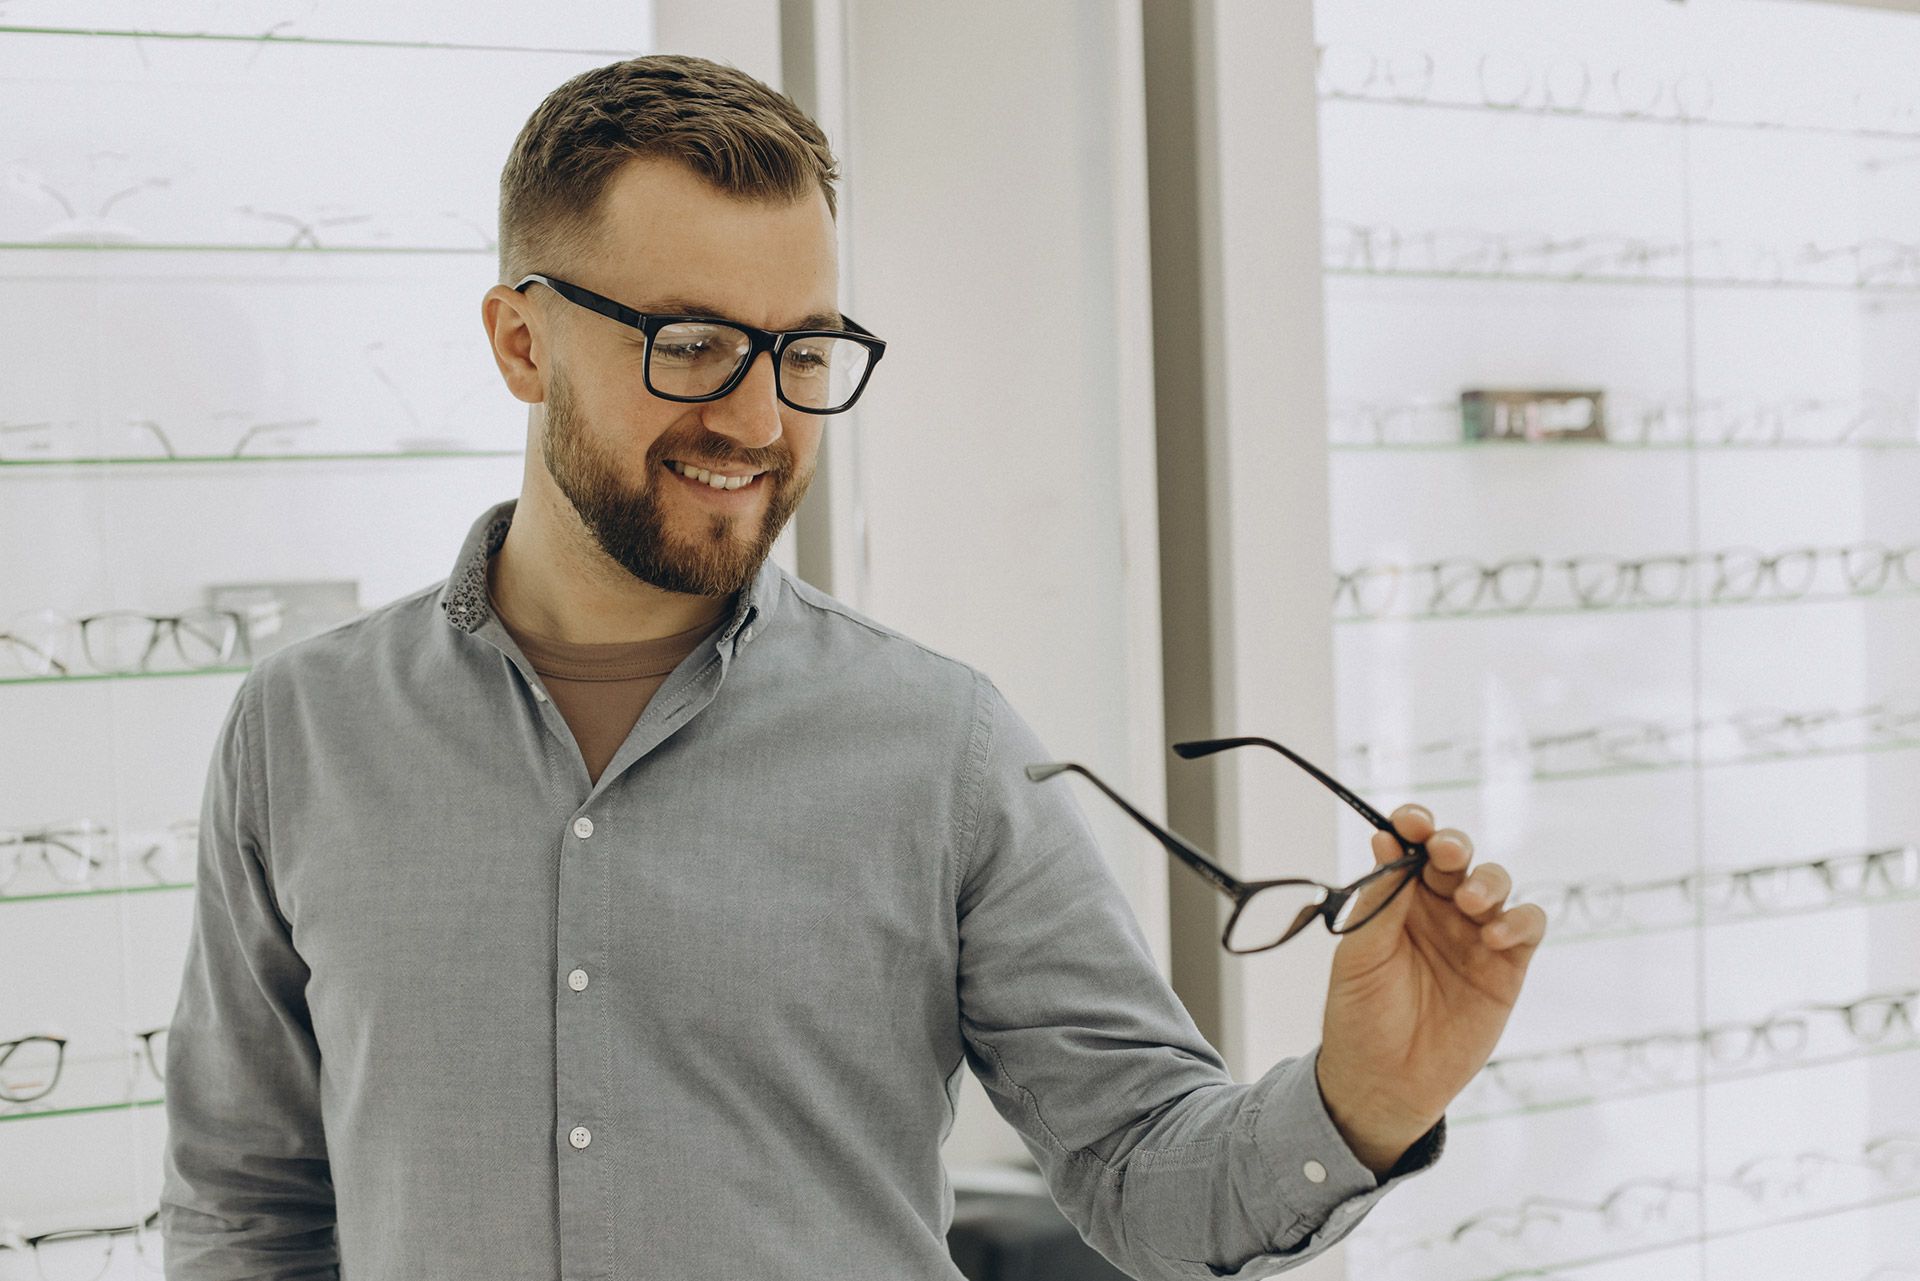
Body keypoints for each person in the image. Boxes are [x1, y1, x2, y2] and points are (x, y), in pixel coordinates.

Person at [159, 53, 1545, 1280]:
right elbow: (247, 1208)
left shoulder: (941, 744)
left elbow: (1138, 1170)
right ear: (523, 341)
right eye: (691, 342)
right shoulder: (304, 729)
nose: (758, 417)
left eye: (804, 347)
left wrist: (1364, 1099)